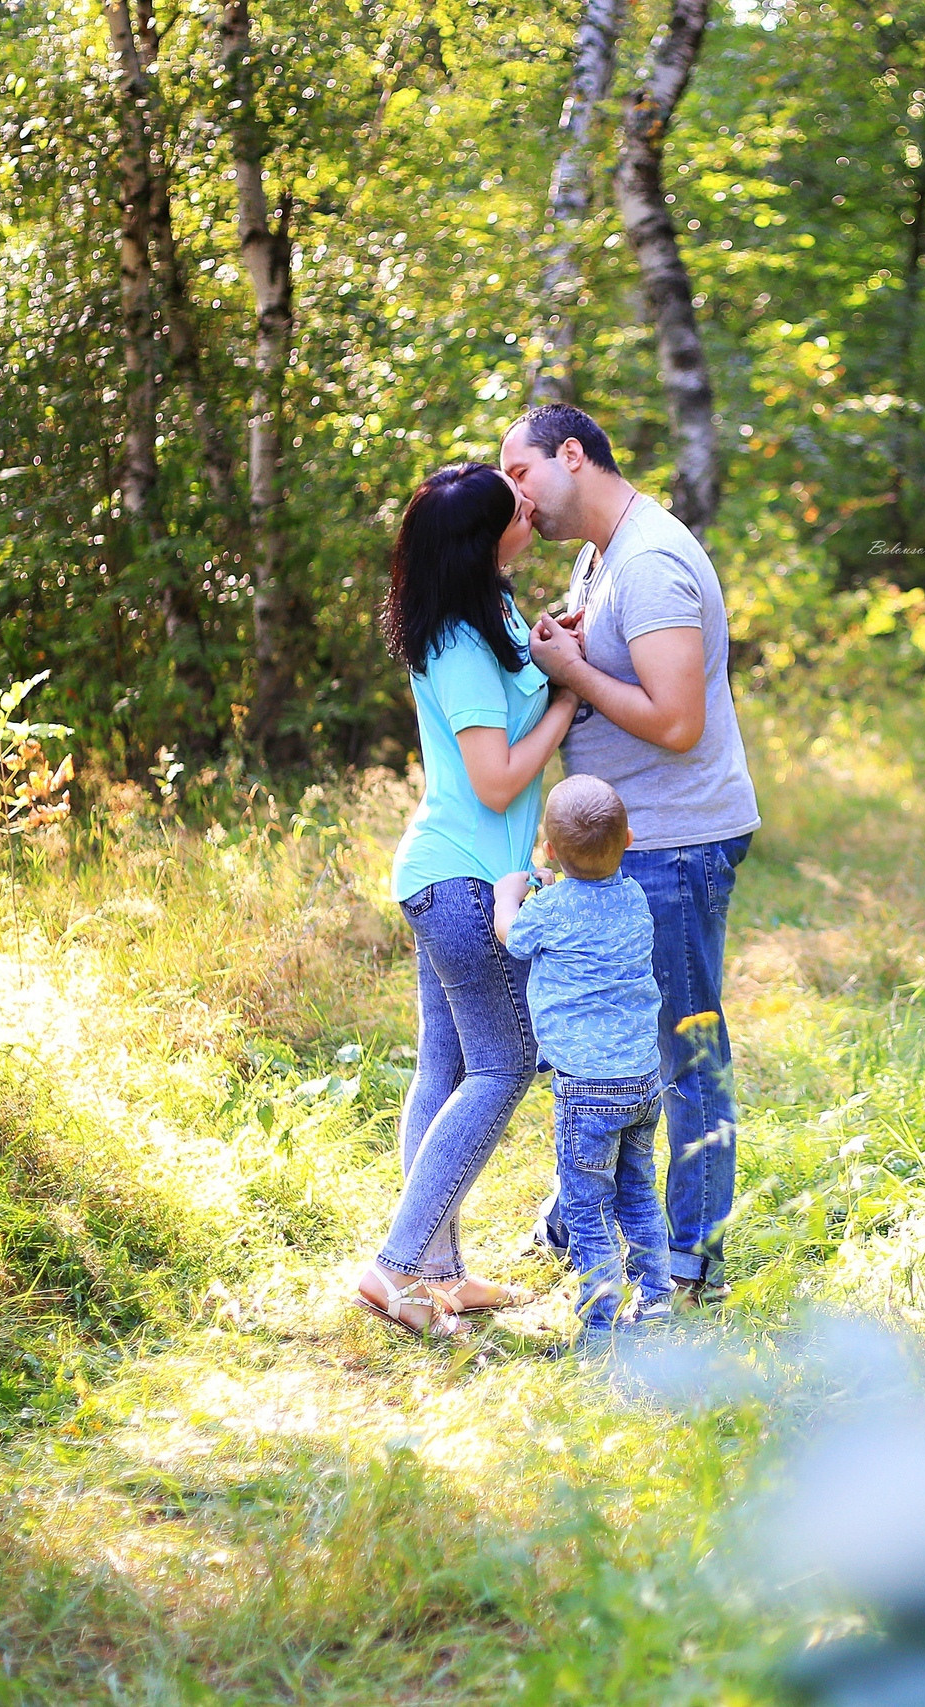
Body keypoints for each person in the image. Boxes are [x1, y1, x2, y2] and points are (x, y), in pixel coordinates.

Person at [501, 403, 761, 1301]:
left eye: (522, 472)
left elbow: (680, 723)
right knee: (621, 1042)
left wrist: (572, 673)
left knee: (685, 1050)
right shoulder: (600, 556)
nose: (516, 496)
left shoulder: (648, 562)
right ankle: (577, 1223)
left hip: (676, 839)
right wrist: (570, 649)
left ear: (573, 455)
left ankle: (691, 1260)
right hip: (633, 839)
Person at [352, 462, 577, 1341]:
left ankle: (440, 1274)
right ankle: (396, 1268)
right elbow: (496, 781)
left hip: (456, 873)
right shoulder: (457, 644)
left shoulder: (495, 612)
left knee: (445, 1068)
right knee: (505, 1062)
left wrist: (559, 649)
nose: (531, 511)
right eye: (516, 510)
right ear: (484, 541)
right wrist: (566, 698)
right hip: (462, 879)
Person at [493, 775, 671, 1341]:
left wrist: (509, 893)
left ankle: (600, 1321)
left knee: (588, 1203)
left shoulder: (550, 910)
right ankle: (658, 1298)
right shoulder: (635, 896)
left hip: (586, 1089)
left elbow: (512, 937)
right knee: (638, 1188)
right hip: (642, 1078)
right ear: (630, 840)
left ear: (549, 852)